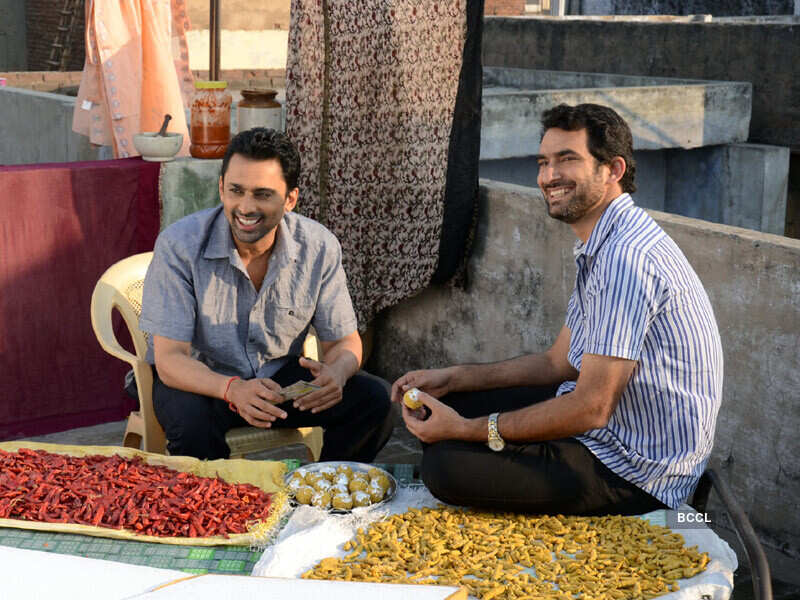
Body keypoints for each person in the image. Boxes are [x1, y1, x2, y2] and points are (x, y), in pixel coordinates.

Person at [392, 103, 723, 515]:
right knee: (450, 403)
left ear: (613, 170)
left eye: (567, 160)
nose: (549, 176)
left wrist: (468, 430)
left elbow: (592, 408)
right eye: (543, 162)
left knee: (444, 466)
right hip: (606, 430)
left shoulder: (626, 258)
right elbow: (559, 363)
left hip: (637, 473)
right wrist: (455, 377)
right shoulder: (604, 242)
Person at [139, 127, 393, 461]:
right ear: (221, 188)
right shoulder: (179, 246)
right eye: (236, 191)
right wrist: (232, 389)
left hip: (279, 383)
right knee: (192, 425)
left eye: (262, 194)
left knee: (375, 399)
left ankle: (322, 486)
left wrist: (336, 374)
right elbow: (170, 360)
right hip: (203, 383)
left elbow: (345, 343)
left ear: (290, 199)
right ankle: (218, 496)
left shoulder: (319, 247)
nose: (246, 207)